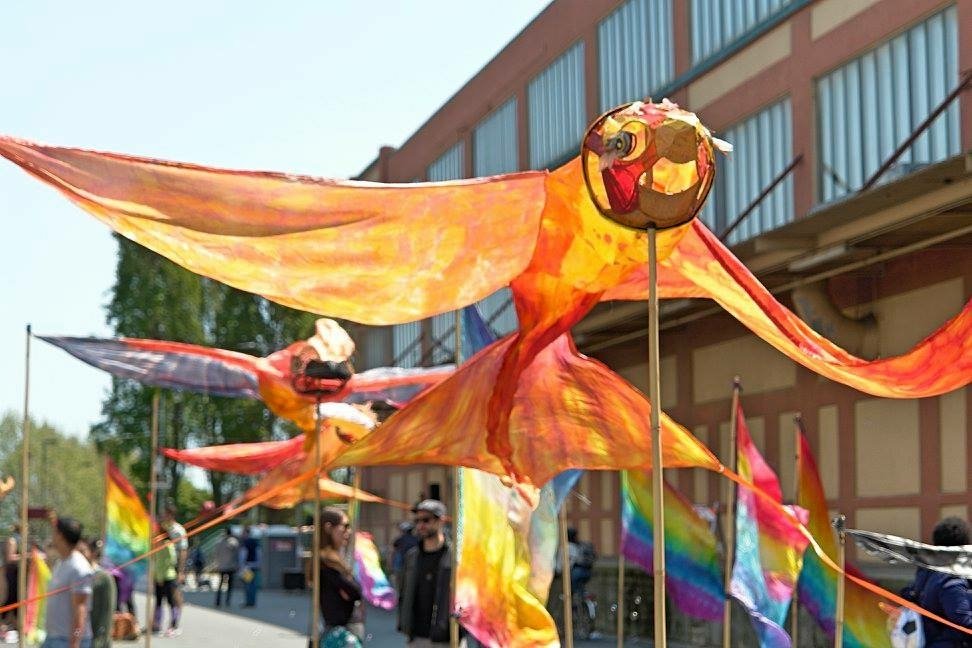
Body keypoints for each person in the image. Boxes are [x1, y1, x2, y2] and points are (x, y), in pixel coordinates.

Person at [901, 517, 972, 647]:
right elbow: (963, 620)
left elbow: (909, 594)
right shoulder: (952, 579)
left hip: (927, 640)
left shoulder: (927, 570)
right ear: (964, 545)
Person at [397, 499, 454, 646]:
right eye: (417, 521)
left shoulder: (454, 556)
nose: (420, 525)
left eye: (426, 520)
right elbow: (403, 591)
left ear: (440, 521)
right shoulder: (412, 556)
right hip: (417, 637)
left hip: (447, 638)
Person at [44, 516, 94, 648]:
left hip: (68, 641)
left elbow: (81, 609)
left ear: (60, 535)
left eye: (54, 532)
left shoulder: (79, 568)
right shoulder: (61, 562)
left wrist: (75, 642)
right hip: (53, 637)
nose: (52, 536)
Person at [317, 507, 364, 646]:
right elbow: (355, 591)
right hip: (340, 631)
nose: (348, 532)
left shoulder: (337, 557)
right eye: (344, 526)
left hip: (342, 628)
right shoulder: (327, 560)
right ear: (328, 528)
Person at [152, 504, 187, 637]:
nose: (163, 517)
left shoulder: (178, 530)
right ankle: (157, 623)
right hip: (161, 572)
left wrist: (181, 571)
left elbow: (182, 551)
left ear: (171, 515)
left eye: (166, 514)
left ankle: (174, 624)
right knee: (159, 600)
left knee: (175, 598)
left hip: (173, 569)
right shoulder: (162, 530)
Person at [77, 538, 116, 648]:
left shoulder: (104, 578)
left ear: (93, 553)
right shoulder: (78, 577)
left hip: (97, 638)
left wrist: (99, 642)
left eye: (82, 551)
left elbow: (106, 614)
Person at [213, 527, 240, 607]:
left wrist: (216, 563)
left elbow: (216, 554)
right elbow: (237, 553)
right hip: (230, 566)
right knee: (230, 585)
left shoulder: (219, 542)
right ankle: (227, 601)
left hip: (221, 566)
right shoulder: (233, 541)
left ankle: (218, 601)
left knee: (220, 584)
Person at [566, 527, 595, 596]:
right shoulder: (580, 545)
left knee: (571, 590)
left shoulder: (570, 547)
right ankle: (581, 596)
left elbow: (569, 562)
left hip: (577, 572)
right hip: (587, 571)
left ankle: (575, 598)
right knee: (579, 588)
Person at [2, 525, 21, 627]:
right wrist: (26, 556)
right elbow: (10, 558)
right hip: (11, 572)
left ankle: (13, 623)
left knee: (16, 597)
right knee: (11, 597)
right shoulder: (12, 540)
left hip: (16, 572)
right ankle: (3, 622)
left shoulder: (19, 540)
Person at [239, 526, 262, 608]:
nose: (241, 534)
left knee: (248, 584)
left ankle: (248, 602)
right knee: (253, 585)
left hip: (247, 567)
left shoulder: (245, 542)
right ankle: (252, 602)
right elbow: (259, 553)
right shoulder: (255, 542)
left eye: (243, 532)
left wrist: (241, 566)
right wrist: (258, 563)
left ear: (246, 533)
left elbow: (243, 555)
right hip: (254, 565)